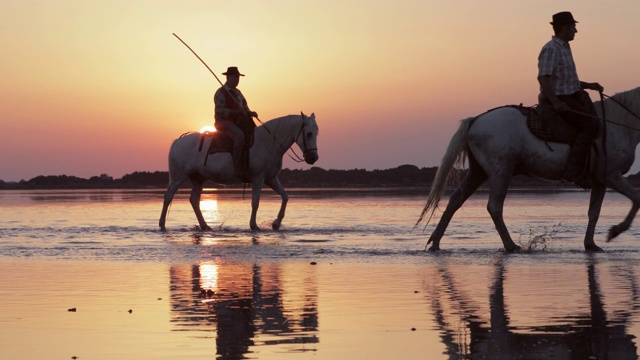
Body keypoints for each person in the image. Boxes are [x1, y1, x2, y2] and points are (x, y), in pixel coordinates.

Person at [537, 11, 603, 188]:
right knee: (591, 124)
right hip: (560, 98)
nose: (576, 31)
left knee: (595, 120)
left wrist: (589, 85)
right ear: (565, 28)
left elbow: (565, 79)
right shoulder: (552, 48)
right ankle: (573, 171)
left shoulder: (564, 47)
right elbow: (544, 77)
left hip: (572, 93)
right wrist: (556, 102)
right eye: (574, 27)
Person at [214, 66, 258, 179]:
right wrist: (235, 112)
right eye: (235, 77)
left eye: (238, 78)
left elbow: (245, 107)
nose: (237, 80)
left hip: (238, 122)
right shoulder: (221, 92)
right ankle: (237, 168)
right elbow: (219, 110)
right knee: (240, 137)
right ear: (228, 78)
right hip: (223, 123)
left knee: (254, 134)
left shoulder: (238, 92)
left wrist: (250, 113)